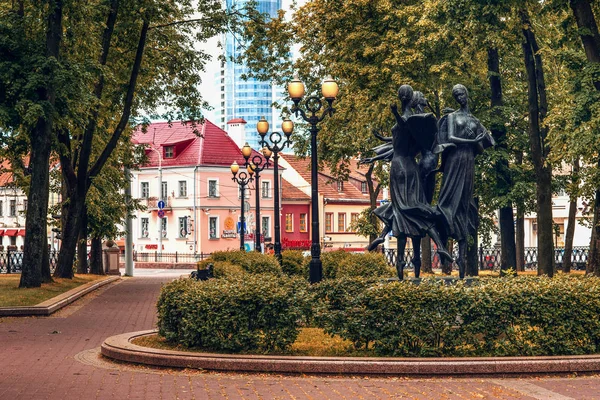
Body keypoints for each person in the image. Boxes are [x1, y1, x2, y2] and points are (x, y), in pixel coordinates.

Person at [434, 84, 494, 278]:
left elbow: (484, 147)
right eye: (456, 94)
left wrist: (478, 140)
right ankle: (442, 244)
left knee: (464, 203)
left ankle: (462, 258)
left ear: (467, 94)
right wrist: (471, 140)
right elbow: (450, 137)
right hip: (455, 160)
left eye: (461, 93)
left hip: (468, 161)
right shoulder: (452, 117)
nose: (460, 97)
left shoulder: (475, 120)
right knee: (447, 199)